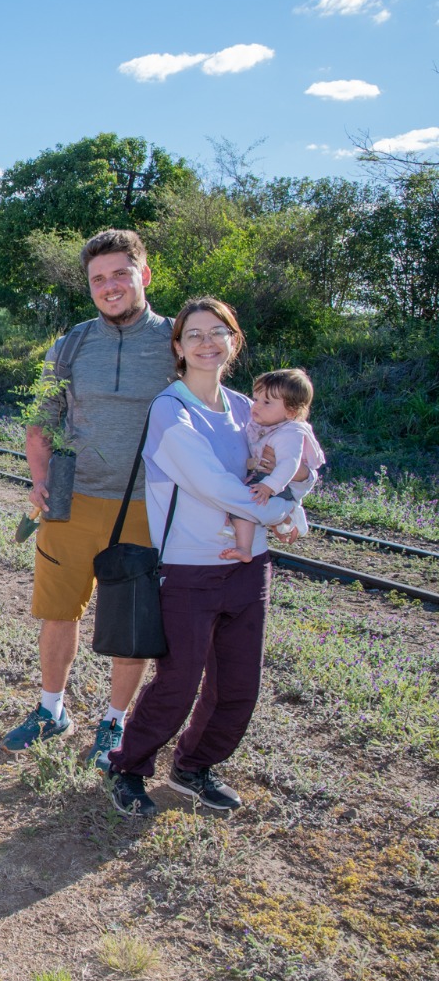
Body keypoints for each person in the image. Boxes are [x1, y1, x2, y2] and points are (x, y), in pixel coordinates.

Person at [105, 298, 299, 818]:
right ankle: (128, 767)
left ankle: (194, 767)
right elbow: (211, 484)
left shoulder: (247, 410)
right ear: (178, 347)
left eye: (219, 333)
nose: (207, 343)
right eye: (194, 334)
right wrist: (278, 512)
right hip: (189, 571)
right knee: (178, 681)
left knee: (238, 686)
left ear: (234, 342)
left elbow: (298, 456)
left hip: (249, 567)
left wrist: (297, 488)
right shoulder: (170, 409)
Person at [4, 228, 176, 771]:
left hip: (147, 507)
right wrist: (39, 479)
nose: (110, 286)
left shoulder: (176, 341)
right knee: (59, 614)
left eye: (121, 274)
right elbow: (40, 421)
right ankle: (51, 710)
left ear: (144, 275)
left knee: (130, 621)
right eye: (98, 279)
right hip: (71, 502)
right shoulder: (71, 344)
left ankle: (114, 722)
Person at [223, 368, 323, 561]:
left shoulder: (290, 432)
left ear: (291, 411)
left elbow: (289, 464)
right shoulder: (266, 425)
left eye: (266, 402)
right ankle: (283, 517)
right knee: (241, 504)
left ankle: (248, 545)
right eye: (257, 399)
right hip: (269, 480)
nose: (256, 406)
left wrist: (270, 486)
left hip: (280, 485)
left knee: (244, 505)